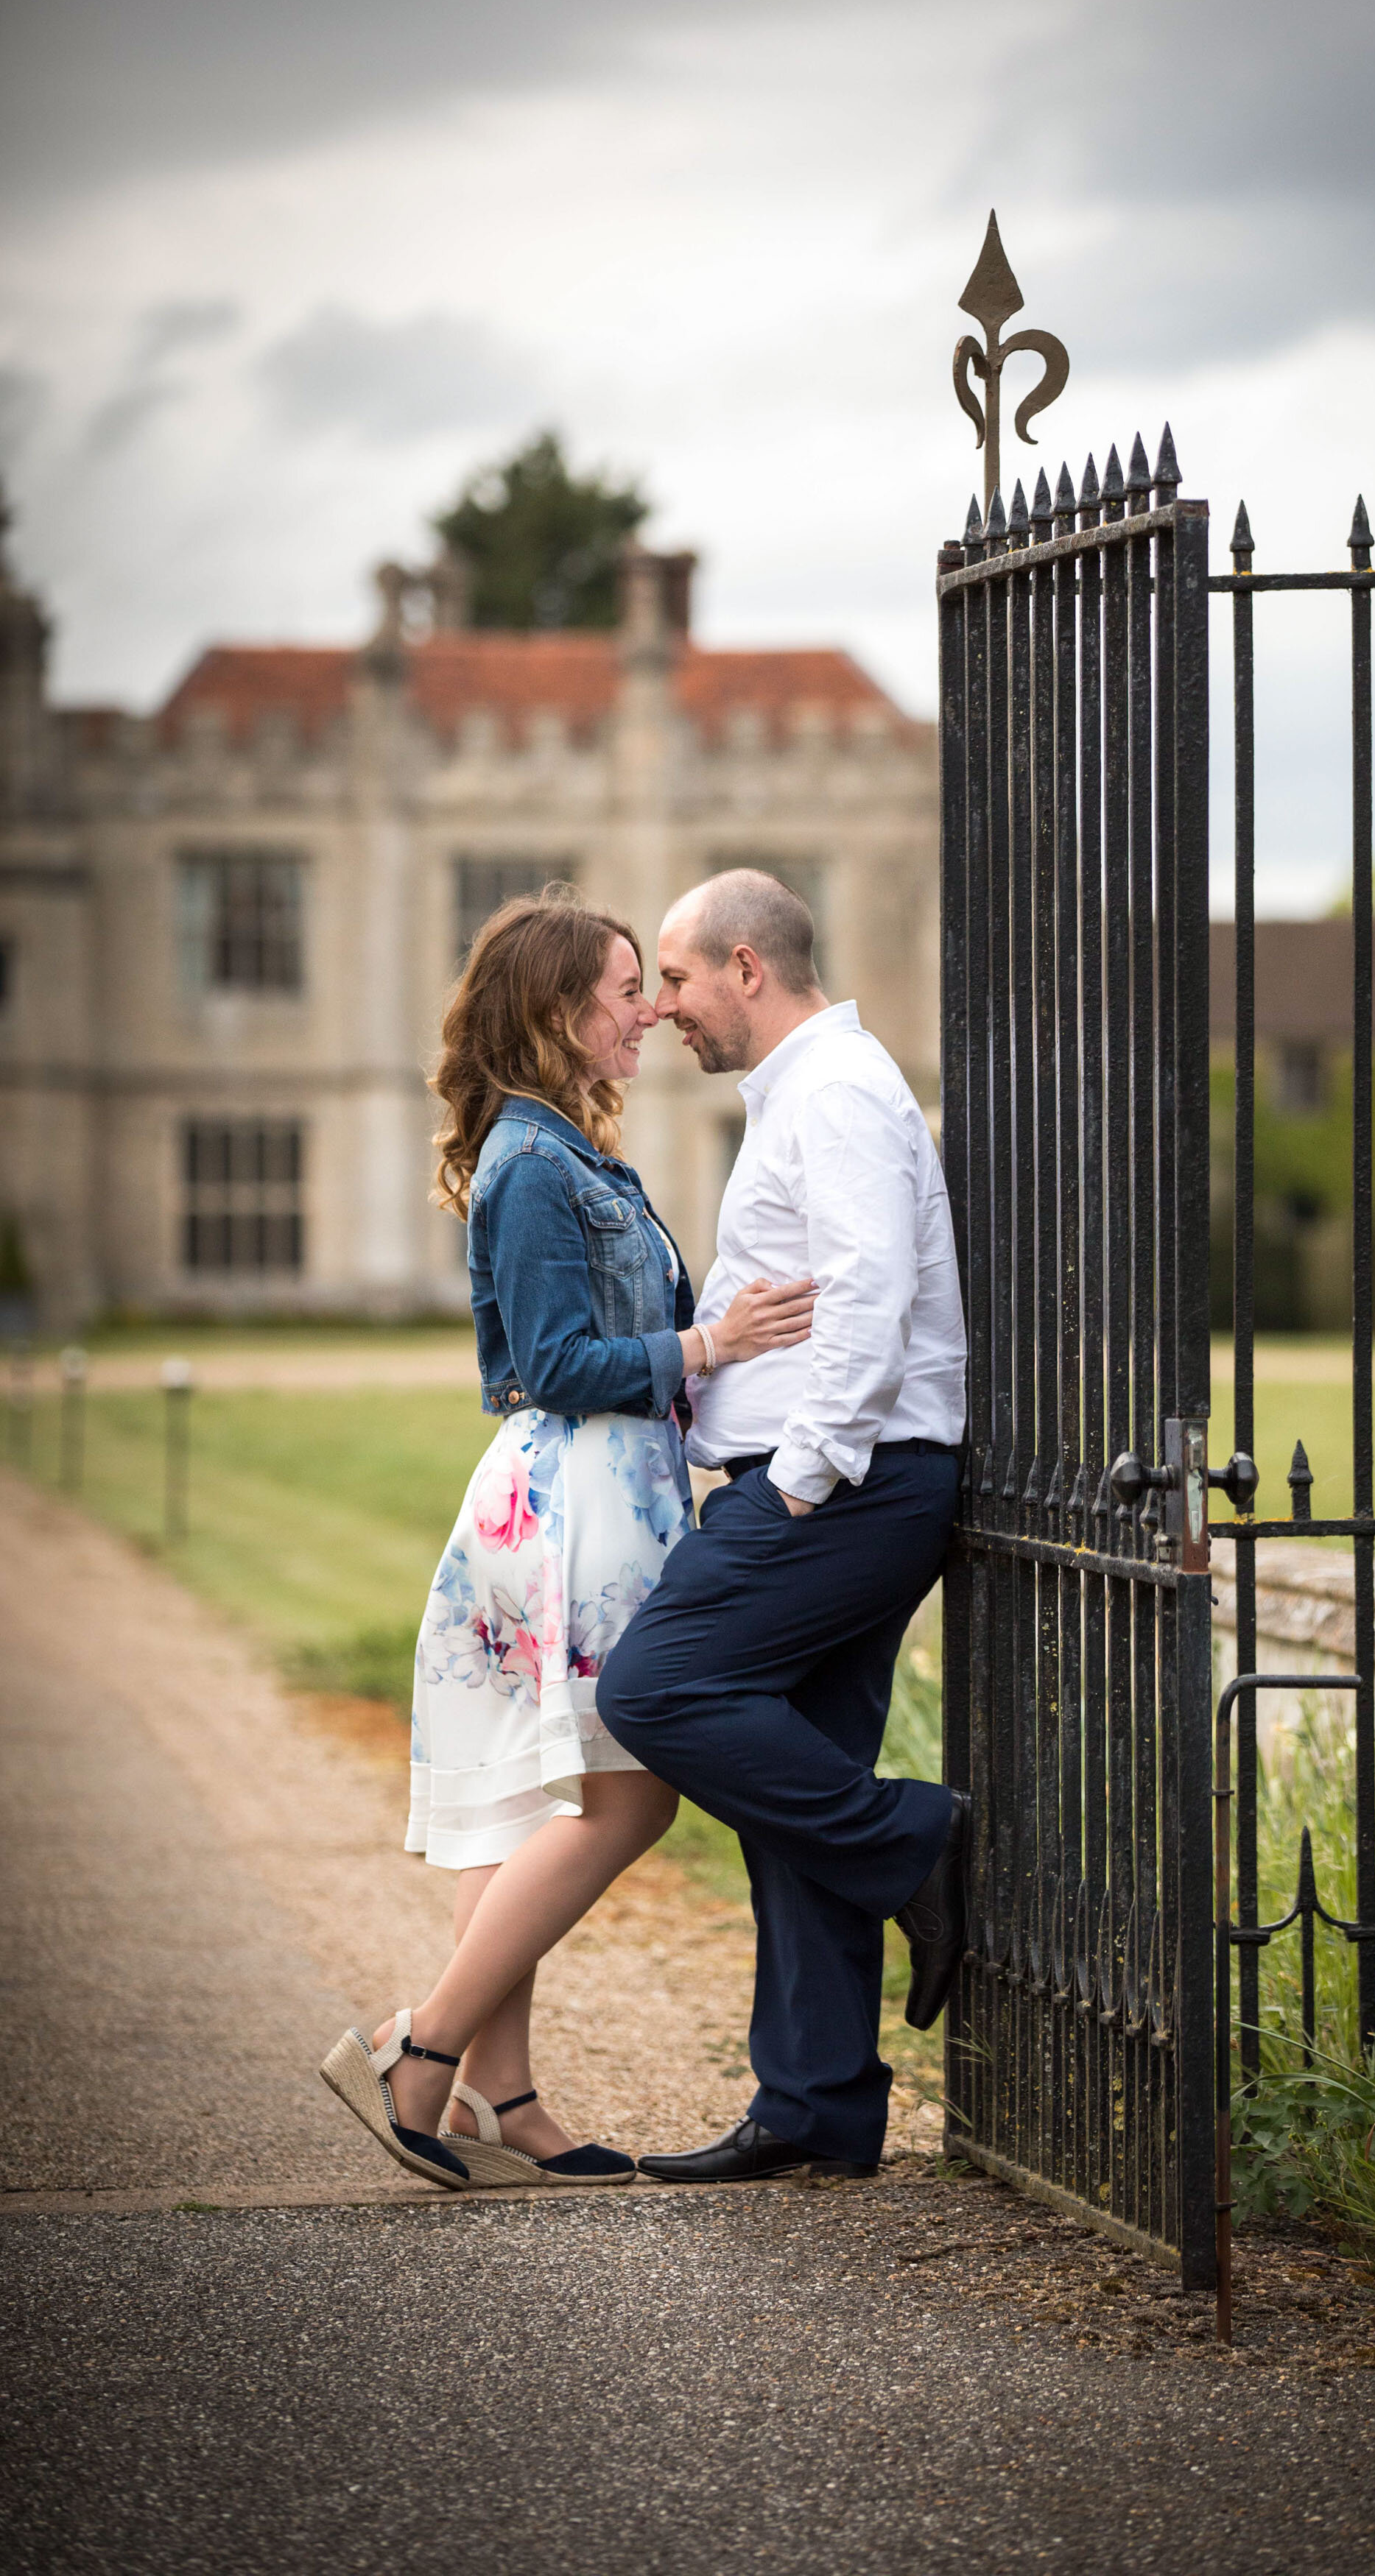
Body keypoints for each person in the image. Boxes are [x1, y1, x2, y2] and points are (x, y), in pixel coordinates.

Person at [320, 888, 816, 2192]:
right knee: (627, 1794)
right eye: (621, 988)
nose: (646, 1008)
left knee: (563, 1798)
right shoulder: (534, 1166)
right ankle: (420, 2053)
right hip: (576, 1501)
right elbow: (551, 1361)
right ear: (555, 1011)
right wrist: (708, 1344)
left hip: (615, 1488)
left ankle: (502, 2092)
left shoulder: (583, 1155)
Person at [594, 867, 971, 2184]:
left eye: (680, 982)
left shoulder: (843, 1092)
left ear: (748, 969)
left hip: (848, 1483)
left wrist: (798, 1482)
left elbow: (869, 1298)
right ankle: (815, 2107)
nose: (663, 1013)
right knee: (792, 1783)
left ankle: (914, 1839)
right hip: (846, 1477)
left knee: (658, 1684)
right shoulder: (805, 1094)